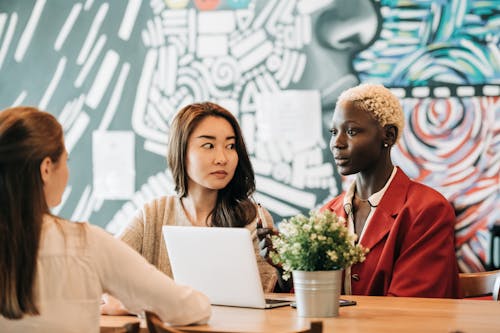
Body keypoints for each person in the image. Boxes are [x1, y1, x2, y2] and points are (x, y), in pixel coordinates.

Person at [0, 107, 211, 333]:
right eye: (66, 159)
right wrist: (132, 302)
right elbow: (190, 308)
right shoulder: (86, 243)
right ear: (46, 169)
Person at [102, 102, 282, 314]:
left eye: (230, 146)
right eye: (208, 146)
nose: (222, 158)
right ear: (181, 150)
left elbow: (257, 304)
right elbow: (102, 268)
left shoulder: (253, 220)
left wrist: (146, 305)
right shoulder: (154, 213)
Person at [322, 83, 460, 298]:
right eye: (334, 132)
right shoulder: (328, 214)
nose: (336, 143)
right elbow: (314, 300)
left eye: (351, 131)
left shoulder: (427, 211)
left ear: (388, 135)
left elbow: (411, 307)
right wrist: (284, 268)